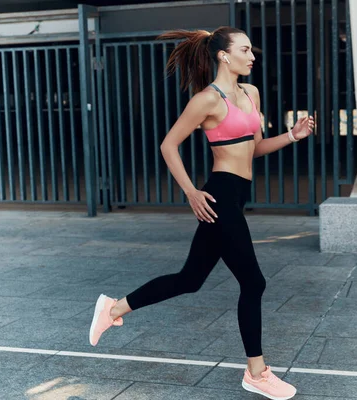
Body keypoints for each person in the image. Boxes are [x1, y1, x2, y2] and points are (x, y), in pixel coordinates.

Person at [89, 26, 314, 400]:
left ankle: (113, 309)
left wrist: (292, 136)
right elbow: (168, 145)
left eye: (251, 49)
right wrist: (192, 191)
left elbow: (254, 148)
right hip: (219, 196)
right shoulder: (207, 100)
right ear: (224, 56)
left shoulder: (251, 93)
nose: (252, 55)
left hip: (237, 193)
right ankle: (256, 372)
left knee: (190, 278)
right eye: (245, 49)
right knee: (254, 283)